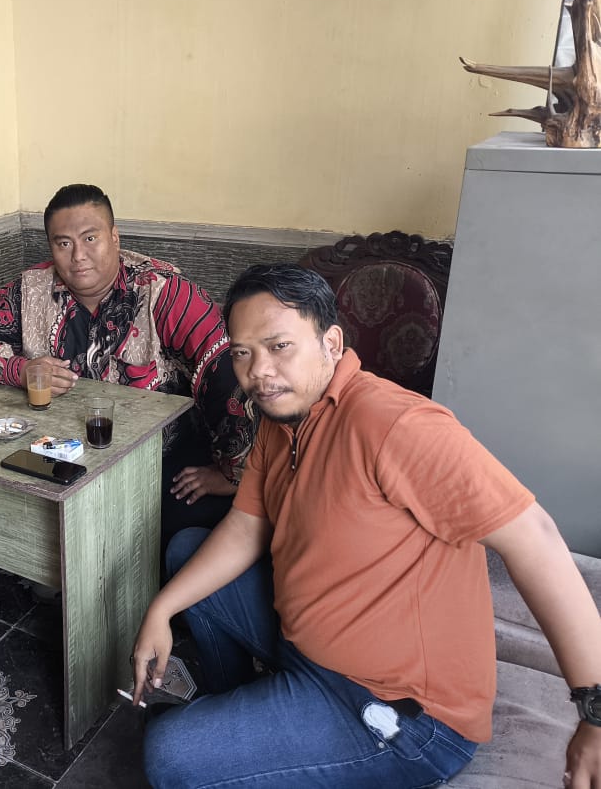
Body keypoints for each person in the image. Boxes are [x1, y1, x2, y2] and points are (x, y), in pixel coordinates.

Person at [130, 262, 601, 788]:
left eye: (279, 346)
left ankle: (243, 740)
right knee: (187, 550)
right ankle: (240, 713)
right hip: (306, 648)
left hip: (401, 714)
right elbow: (245, 527)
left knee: (168, 755)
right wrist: (161, 609)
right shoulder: (282, 419)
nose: (258, 371)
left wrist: (595, 710)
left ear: (331, 343)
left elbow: (535, 538)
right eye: (243, 353)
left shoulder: (394, 424)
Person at [0, 184, 253, 544]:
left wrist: (232, 474)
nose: (78, 256)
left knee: (155, 527)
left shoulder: (163, 292)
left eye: (90, 238)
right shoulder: (32, 289)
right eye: (63, 243)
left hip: (159, 456)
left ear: (114, 237)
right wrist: (21, 370)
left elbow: (227, 375)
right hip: (64, 450)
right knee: (4, 502)